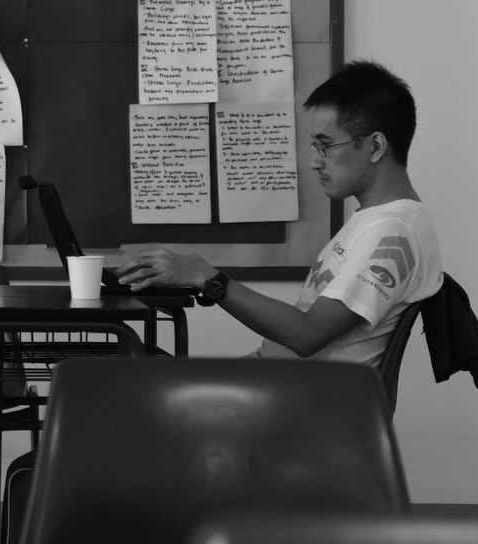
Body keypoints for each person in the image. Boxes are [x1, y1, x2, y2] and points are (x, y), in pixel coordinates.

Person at [117, 60, 442, 366]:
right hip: (279, 384)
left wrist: (208, 277)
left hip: (296, 402)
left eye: (324, 145)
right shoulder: (377, 222)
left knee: (128, 382)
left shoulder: (393, 232)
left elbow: (307, 335)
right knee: (140, 370)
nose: (315, 161)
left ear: (375, 146)